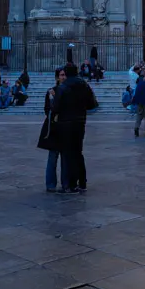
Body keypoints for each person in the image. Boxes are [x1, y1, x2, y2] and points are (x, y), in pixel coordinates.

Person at [52, 63, 98, 193]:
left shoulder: (62, 87)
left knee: (68, 153)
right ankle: (82, 182)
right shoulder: (84, 85)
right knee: (78, 152)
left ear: (66, 73)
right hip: (80, 122)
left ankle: (71, 184)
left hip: (65, 123)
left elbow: (55, 107)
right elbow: (92, 104)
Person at [39, 68, 66, 191]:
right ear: (57, 77)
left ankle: (66, 183)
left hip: (66, 126)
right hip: (54, 127)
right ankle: (50, 184)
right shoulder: (51, 92)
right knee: (53, 156)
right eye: (61, 75)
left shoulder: (68, 91)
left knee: (65, 158)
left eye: (65, 75)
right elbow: (47, 109)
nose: (63, 77)